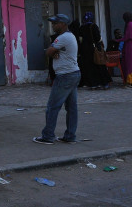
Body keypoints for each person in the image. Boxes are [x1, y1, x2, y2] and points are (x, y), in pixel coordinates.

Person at [33, 14, 80, 145]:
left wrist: (53, 51)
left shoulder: (63, 37)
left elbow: (48, 52)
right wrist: (55, 51)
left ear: (64, 24)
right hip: (73, 73)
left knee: (52, 107)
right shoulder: (70, 36)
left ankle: (48, 136)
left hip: (65, 76)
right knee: (71, 107)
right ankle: (70, 135)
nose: (53, 26)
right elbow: (53, 51)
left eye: (55, 23)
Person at [77, 12, 112, 90]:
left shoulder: (81, 28)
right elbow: (98, 38)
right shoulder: (93, 26)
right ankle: (104, 83)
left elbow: (80, 40)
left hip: (86, 51)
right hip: (95, 49)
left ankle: (93, 84)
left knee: (90, 68)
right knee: (100, 65)